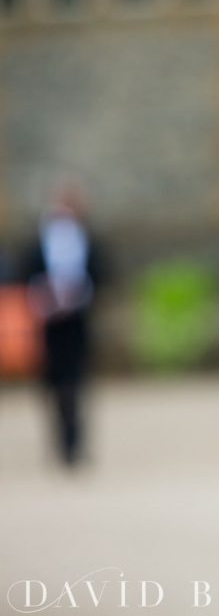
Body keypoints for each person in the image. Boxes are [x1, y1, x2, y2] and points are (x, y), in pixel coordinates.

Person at [22, 182, 103, 467]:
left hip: (77, 322)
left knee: (75, 384)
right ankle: (60, 442)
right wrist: (44, 298)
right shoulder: (40, 243)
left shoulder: (87, 241)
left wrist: (77, 294)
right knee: (53, 385)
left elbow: (99, 275)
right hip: (48, 323)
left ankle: (74, 443)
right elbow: (27, 275)